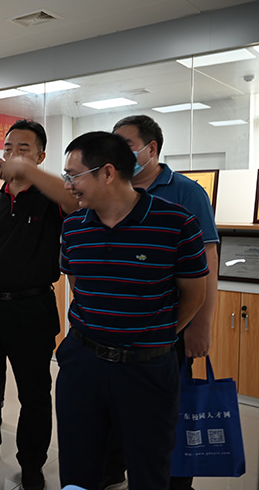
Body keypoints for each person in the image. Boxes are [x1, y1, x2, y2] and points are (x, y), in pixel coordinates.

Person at [56, 131, 208, 490]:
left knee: (149, 467)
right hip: (84, 363)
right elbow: (79, 284)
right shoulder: (74, 227)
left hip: (147, 368)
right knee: (78, 463)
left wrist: (155, 334)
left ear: (107, 172)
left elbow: (194, 293)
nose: (68, 186)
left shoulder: (176, 222)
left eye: (73, 176)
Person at [0, 120, 78, 490]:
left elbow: (74, 200)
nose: (13, 154)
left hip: (31, 307)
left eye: (24, 149)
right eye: (9, 148)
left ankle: (32, 462)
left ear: (41, 156)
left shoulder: (51, 198)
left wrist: (28, 171)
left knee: (34, 392)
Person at [100, 115, 220, 490]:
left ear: (151, 149)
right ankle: (114, 468)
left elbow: (207, 263)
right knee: (115, 407)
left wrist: (200, 327)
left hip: (169, 329)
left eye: (127, 145)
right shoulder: (111, 189)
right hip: (116, 332)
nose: (118, 153)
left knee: (165, 415)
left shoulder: (185, 192)